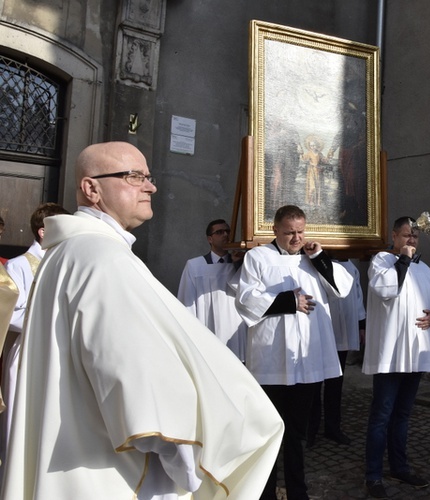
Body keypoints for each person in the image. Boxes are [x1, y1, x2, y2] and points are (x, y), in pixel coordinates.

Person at [2, 141, 284, 499]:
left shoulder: (69, 253)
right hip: (113, 471)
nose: (150, 186)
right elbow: (139, 390)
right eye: (133, 176)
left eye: (148, 177)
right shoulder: (101, 259)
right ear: (91, 188)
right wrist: (192, 467)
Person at [235, 204, 353, 500]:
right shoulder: (257, 257)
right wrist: (290, 301)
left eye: (300, 232)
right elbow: (247, 299)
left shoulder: (313, 259)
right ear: (274, 230)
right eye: (289, 233)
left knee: (298, 433)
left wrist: (318, 256)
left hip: (307, 361)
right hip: (271, 360)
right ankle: (265, 493)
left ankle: (298, 491)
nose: (296, 238)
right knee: (269, 430)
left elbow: (342, 288)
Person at [363, 216, 430, 499]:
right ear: (394, 236)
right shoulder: (381, 262)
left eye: (415, 236)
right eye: (406, 235)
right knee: (381, 416)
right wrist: (401, 259)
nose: (411, 240)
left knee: (402, 415)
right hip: (390, 353)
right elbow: (385, 289)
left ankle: (400, 466)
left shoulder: (424, 269)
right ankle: (373, 475)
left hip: (416, 353)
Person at [1, 202, 69, 476]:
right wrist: (49, 315)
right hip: (27, 351)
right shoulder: (19, 266)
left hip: (58, 351)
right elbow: (10, 315)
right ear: (43, 232)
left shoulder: (65, 262)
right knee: (21, 417)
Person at [307, 258, 366, 448]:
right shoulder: (316, 264)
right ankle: (311, 429)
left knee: (335, 382)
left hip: (343, 333)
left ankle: (333, 427)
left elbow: (357, 297)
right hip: (320, 333)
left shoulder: (351, 266)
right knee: (314, 384)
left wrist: (361, 325)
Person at [178, 218, 246, 360]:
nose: (225, 235)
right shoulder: (195, 266)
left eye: (228, 231)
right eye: (219, 232)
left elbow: (247, 295)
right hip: (207, 328)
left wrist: (238, 265)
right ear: (210, 239)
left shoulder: (241, 263)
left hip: (236, 329)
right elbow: (187, 302)